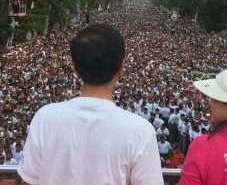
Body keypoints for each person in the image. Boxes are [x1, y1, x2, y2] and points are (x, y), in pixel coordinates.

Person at [17, 24, 163, 185]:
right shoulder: (140, 131)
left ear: (75, 68)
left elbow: (28, 181)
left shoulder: (44, 118)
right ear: (121, 67)